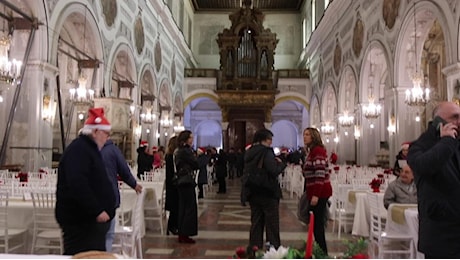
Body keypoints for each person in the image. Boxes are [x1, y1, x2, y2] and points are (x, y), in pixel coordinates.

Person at [56, 107, 116, 255]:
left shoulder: (88, 149)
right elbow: (77, 183)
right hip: (82, 222)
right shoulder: (79, 150)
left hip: (90, 223)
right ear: (95, 131)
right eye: (105, 133)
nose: (107, 138)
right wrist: (97, 210)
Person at [407, 101, 460, 258]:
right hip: (441, 235)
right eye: (455, 117)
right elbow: (425, 165)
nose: (459, 121)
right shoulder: (419, 147)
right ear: (438, 121)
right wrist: (447, 141)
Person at [244, 129, 286, 249]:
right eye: (269, 139)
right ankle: (273, 252)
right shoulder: (267, 152)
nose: (271, 142)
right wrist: (281, 165)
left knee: (256, 224)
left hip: (253, 191)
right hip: (268, 192)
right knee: (272, 225)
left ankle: (254, 250)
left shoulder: (249, 152)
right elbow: (273, 171)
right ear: (263, 139)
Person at [101, 139, 143, 252]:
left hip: (93, 198)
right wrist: (134, 185)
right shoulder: (112, 150)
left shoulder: (88, 150)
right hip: (109, 197)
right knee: (108, 234)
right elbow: (124, 170)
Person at [302, 127, 332, 255]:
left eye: (307, 134)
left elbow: (320, 174)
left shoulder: (318, 151)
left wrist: (316, 195)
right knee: (315, 225)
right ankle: (320, 251)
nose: (305, 137)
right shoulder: (312, 151)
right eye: (304, 134)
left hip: (319, 193)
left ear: (314, 137)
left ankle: (322, 253)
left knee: (318, 226)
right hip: (314, 191)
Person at [174, 130, 199, 243]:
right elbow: (196, 164)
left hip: (181, 181)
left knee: (183, 207)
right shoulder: (186, 151)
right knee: (189, 207)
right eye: (190, 138)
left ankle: (182, 233)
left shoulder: (179, 151)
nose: (192, 140)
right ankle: (185, 233)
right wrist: (197, 155)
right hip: (186, 181)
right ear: (185, 139)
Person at [164, 136, 179, 236]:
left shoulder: (170, 156)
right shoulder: (170, 157)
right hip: (172, 185)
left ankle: (172, 226)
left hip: (172, 184)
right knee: (174, 206)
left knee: (175, 206)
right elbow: (172, 171)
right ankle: (171, 226)